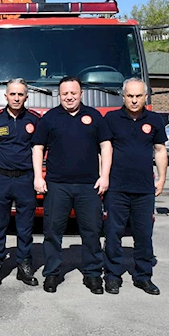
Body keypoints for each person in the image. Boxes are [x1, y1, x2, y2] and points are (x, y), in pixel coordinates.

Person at [32, 76, 112, 294]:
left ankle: (93, 275)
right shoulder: (50, 118)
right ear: (60, 95)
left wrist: (104, 176)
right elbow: (38, 147)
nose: (69, 97)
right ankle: (51, 274)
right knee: (52, 231)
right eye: (65, 93)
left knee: (92, 231)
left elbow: (106, 146)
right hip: (57, 185)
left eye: (73, 93)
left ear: (81, 94)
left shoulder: (94, 116)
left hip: (89, 186)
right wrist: (38, 177)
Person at [103, 78, 167, 295]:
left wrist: (161, 178)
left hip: (144, 189)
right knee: (113, 233)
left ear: (146, 97)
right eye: (130, 96)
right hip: (117, 187)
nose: (134, 100)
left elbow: (159, 150)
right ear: (123, 97)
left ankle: (143, 276)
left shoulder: (155, 120)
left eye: (138, 96)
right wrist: (103, 177)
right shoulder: (111, 118)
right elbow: (104, 151)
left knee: (143, 234)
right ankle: (112, 276)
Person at [0, 78, 40, 286]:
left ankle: (24, 266)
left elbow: (41, 149)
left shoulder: (34, 120)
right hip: (2, 178)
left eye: (20, 94)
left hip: (25, 179)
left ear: (26, 97)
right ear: (6, 96)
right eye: (13, 94)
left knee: (25, 226)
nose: (16, 98)